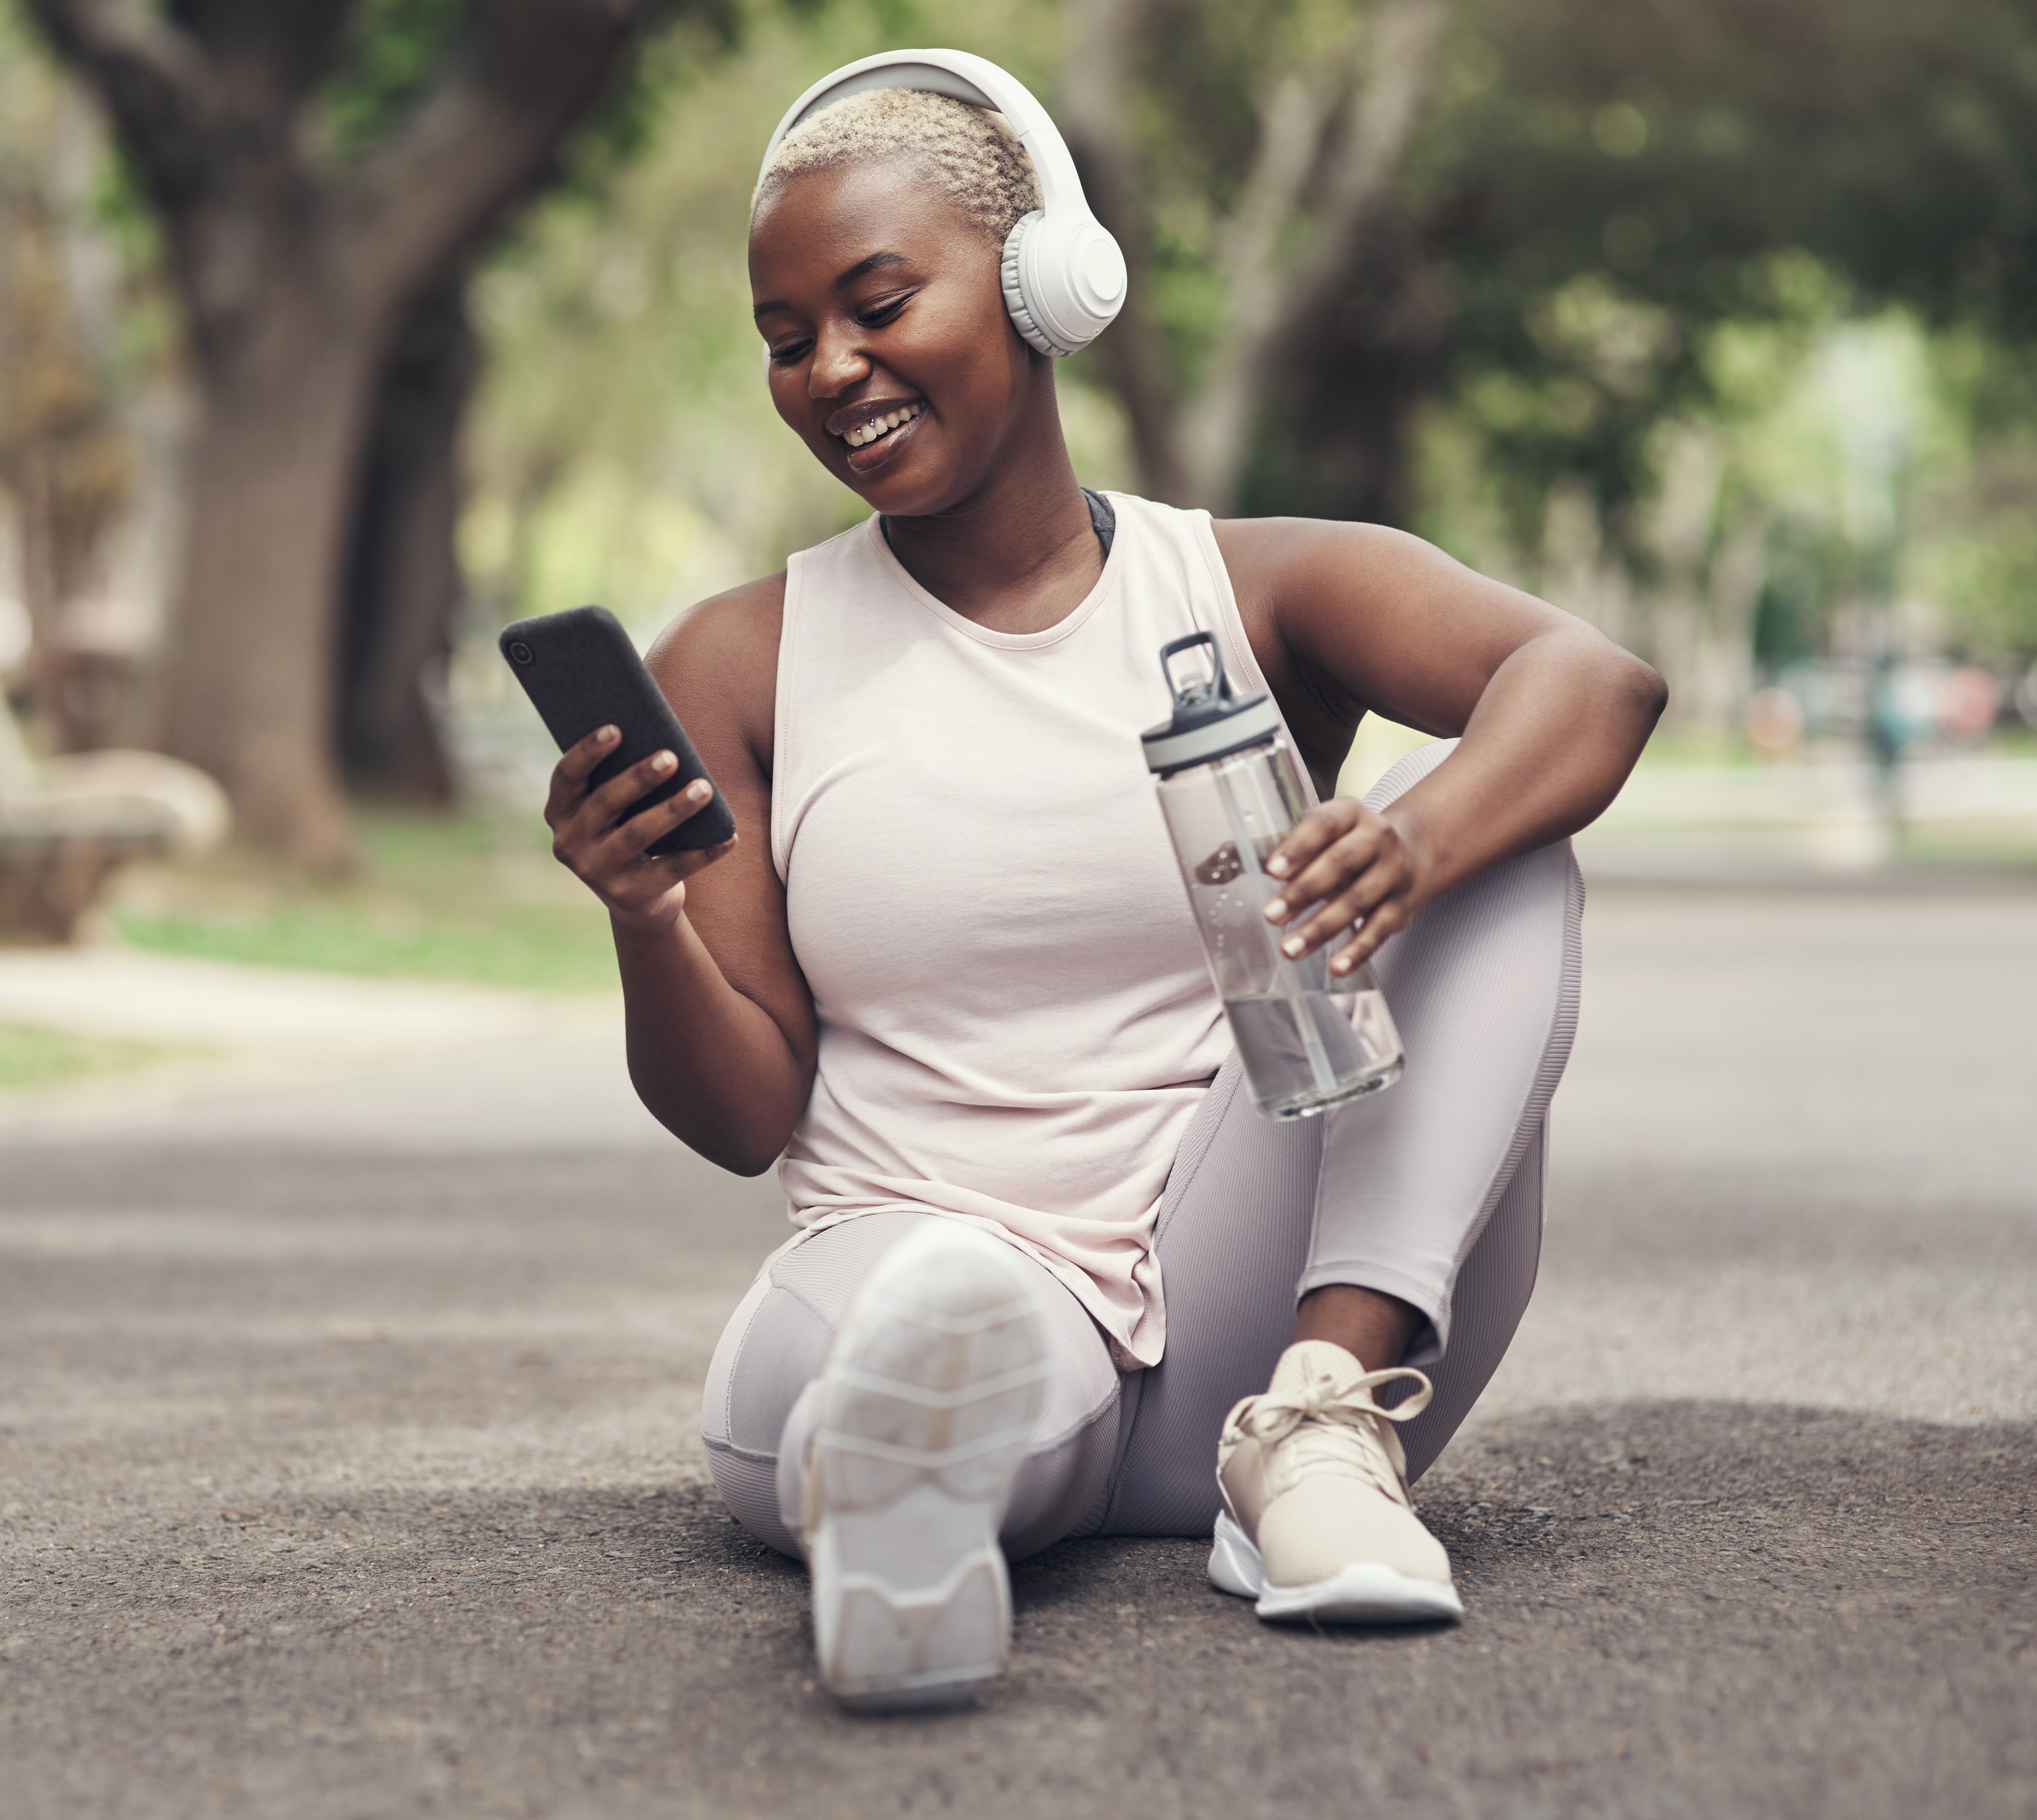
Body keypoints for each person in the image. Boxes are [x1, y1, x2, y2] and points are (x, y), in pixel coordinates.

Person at [537, 52, 1664, 1710]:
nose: (832, 369)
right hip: (925, 1264)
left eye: (875, 304)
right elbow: (740, 1115)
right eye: (788, 338)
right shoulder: (740, 659)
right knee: (918, 1340)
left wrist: (1408, 846)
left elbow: (1593, 681)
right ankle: (914, 1504)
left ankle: (1318, 1445)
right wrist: (641, 916)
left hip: (1269, 1306)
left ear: (1040, 286)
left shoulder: (1261, 589)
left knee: (1501, 849)